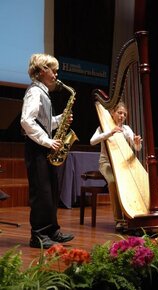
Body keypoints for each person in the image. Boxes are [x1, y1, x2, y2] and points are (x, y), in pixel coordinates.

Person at [20, 53, 74, 248]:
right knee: (41, 192)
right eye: (54, 71)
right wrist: (46, 141)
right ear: (42, 71)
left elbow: (43, 122)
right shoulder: (35, 92)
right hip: (37, 148)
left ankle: (51, 230)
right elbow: (26, 121)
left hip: (43, 147)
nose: (56, 75)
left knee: (51, 190)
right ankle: (38, 235)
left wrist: (60, 119)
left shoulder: (44, 92)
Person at [90, 101, 143, 231]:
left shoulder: (126, 129)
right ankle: (119, 220)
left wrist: (137, 143)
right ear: (113, 113)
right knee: (113, 182)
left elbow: (137, 148)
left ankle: (132, 214)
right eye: (119, 113)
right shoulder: (103, 127)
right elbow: (92, 141)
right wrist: (110, 132)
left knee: (133, 182)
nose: (122, 116)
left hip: (122, 164)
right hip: (106, 163)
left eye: (124, 114)